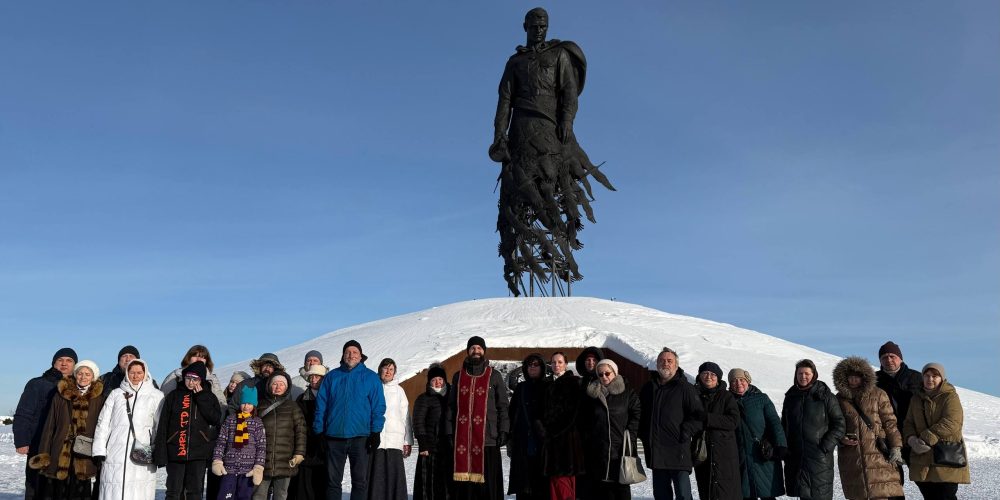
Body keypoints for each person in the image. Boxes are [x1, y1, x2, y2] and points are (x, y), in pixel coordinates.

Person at [490, 7, 615, 295]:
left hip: (550, 131)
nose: (538, 29)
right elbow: (504, 102)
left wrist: (567, 122)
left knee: (551, 190)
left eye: (543, 25)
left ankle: (558, 251)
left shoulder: (559, 55)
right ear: (525, 26)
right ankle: (522, 266)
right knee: (520, 199)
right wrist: (499, 136)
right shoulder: (515, 62)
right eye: (534, 25)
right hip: (520, 131)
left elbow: (569, 93)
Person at [314, 340, 386, 500]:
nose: (351, 355)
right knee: (333, 482)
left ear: (361, 356)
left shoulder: (371, 378)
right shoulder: (332, 377)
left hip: (360, 437)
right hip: (334, 437)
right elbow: (321, 405)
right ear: (343, 355)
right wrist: (319, 431)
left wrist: (376, 432)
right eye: (348, 352)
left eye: (355, 352)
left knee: (360, 482)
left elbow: (378, 407)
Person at [28, 359, 104, 500]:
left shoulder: (99, 398)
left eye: (88, 374)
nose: (83, 377)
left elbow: (102, 427)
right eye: (80, 373)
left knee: (81, 490)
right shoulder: (61, 395)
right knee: (57, 490)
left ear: (93, 377)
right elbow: (50, 425)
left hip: (85, 452)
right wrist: (44, 453)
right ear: (75, 374)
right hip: (60, 449)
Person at [831, 356, 905, 500]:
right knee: (860, 494)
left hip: (879, 454)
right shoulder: (838, 399)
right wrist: (841, 439)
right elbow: (834, 426)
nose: (853, 380)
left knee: (884, 492)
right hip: (853, 458)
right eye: (850, 377)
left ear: (864, 377)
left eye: (857, 377)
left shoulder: (878, 394)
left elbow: (890, 422)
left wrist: (896, 447)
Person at [92, 359, 164, 500]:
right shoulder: (116, 394)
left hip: (143, 451)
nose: (135, 376)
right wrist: (99, 449)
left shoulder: (156, 395)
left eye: (139, 372)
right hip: (114, 452)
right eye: (132, 372)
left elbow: (160, 426)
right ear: (126, 373)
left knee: (139, 491)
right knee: (113, 490)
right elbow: (103, 423)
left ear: (145, 373)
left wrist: (157, 450)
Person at [449, 336, 510, 500]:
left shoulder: (494, 375)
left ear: (484, 351)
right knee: (465, 486)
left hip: (488, 438)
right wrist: (449, 431)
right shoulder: (458, 376)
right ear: (468, 351)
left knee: (487, 485)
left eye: (479, 348)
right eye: (473, 348)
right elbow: (451, 407)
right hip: (462, 439)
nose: (476, 351)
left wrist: (504, 430)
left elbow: (503, 406)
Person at [638, 347, 703, 500]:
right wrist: (642, 433)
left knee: (683, 495)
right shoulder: (648, 388)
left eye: (669, 361)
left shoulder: (685, 388)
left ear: (676, 365)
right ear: (657, 363)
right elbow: (640, 414)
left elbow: (699, 416)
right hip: (657, 452)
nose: (665, 363)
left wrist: (686, 430)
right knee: (661, 495)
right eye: (662, 360)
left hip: (678, 451)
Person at [15, 347, 77, 500]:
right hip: (39, 444)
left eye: (69, 361)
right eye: (60, 360)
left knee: (62, 489)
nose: (64, 364)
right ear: (53, 363)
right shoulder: (37, 384)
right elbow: (23, 413)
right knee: (36, 487)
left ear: (75, 365)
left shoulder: (77, 387)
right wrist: (22, 441)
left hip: (65, 448)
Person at [154, 361, 223, 500]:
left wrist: (201, 397)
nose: (191, 382)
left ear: (201, 380)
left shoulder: (209, 396)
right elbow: (163, 424)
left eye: (195, 379)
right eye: (188, 378)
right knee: (173, 491)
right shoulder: (173, 396)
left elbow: (215, 419)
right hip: (176, 450)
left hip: (199, 452)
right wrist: (161, 452)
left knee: (194, 492)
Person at [902, 362, 970, 499]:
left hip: (945, 457)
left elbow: (952, 422)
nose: (930, 379)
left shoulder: (949, 396)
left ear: (942, 378)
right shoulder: (916, 398)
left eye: (935, 376)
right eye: (926, 375)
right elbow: (908, 422)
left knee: (946, 496)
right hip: (922, 457)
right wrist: (912, 439)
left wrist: (926, 437)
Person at [781, 359, 845, 500]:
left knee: (819, 495)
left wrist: (824, 446)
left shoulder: (825, 396)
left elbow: (839, 424)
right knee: (802, 494)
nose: (803, 377)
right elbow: (784, 425)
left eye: (806, 373)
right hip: (796, 458)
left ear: (814, 374)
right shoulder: (791, 397)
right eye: (800, 373)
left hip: (819, 459)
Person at [581, 359, 640, 500]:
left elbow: (637, 414)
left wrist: (629, 434)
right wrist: (590, 437)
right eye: (600, 374)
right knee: (600, 492)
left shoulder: (627, 393)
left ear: (615, 373)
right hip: (597, 452)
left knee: (621, 491)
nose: (604, 377)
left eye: (607, 373)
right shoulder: (591, 395)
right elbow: (584, 419)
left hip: (619, 451)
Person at [728, 368, 787, 500]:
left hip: (763, 454)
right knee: (746, 494)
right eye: (734, 381)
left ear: (748, 381)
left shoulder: (762, 399)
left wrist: (780, 446)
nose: (738, 383)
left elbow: (774, 423)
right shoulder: (727, 401)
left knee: (767, 495)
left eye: (741, 380)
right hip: (740, 456)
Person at [692, 362, 740, 500]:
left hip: (724, 452)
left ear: (718, 378)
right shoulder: (693, 395)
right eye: (705, 373)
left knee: (725, 491)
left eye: (713, 374)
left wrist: (708, 418)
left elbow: (733, 421)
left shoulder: (726, 396)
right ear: (699, 376)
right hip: (702, 451)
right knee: (705, 488)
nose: (709, 377)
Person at [254, 371, 306, 500]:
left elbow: (301, 431)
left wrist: (299, 453)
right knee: (259, 495)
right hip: (262, 459)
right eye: (275, 384)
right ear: (269, 386)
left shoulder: (293, 406)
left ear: (287, 387)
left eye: (281, 384)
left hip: (285, 459)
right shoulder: (259, 405)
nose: (278, 387)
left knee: (281, 495)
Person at [367, 358, 413, 500]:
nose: (388, 372)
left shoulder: (399, 391)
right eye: (385, 368)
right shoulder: (373, 387)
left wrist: (407, 441)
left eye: (391, 369)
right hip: (376, 439)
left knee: (394, 476)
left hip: (394, 440)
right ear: (380, 369)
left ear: (394, 373)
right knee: (376, 474)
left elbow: (406, 416)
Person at [541, 352, 585, 500]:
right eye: (553, 362)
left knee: (565, 480)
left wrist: (554, 430)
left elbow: (574, 412)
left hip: (567, 440)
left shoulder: (574, 382)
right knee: (554, 481)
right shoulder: (546, 383)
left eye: (560, 362)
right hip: (550, 441)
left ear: (566, 364)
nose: (556, 365)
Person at [213, 386, 267, 500]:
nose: (246, 407)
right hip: (228, 469)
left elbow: (261, 447)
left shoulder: (257, 423)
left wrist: (258, 467)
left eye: (249, 403)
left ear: (254, 405)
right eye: (244, 403)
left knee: (244, 497)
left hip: (248, 471)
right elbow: (221, 442)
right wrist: (217, 461)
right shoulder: (230, 420)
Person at [874, 341, 922, 467]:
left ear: (900, 358)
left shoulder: (917, 378)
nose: (888, 360)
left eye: (892, 356)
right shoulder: (874, 380)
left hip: (914, 435)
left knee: (923, 478)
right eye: (884, 357)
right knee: (892, 480)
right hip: (888, 437)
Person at [508, 353, 548, 500]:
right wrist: (510, 437)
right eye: (530, 364)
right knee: (523, 487)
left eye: (536, 364)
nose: (532, 367)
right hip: (522, 442)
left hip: (542, 443)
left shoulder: (548, 386)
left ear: (542, 367)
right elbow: (512, 413)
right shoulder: (521, 388)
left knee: (541, 486)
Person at [208, 370, 252, 500]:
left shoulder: (244, 406)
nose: (233, 385)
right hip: (217, 445)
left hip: (234, 452)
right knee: (214, 482)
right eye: (232, 382)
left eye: (237, 383)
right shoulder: (222, 399)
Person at [412, 364, 453, 500]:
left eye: (440, 379)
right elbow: (418, 422)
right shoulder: (423, 398)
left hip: (448, 446)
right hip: (430, 447)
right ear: (429, 381)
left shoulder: (452, 396)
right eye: (434, 379)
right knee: (429, 482)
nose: (437, 382)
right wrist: (423, 444)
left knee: (447, 481)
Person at [288, 364, 329, 500]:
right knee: (304, 484)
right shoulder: (301, 398)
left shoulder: (331, 397)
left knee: (321, 483)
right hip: (306, 445)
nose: (313, 379)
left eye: (317, 376)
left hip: (324, 446)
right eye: (311, 376)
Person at [160, 345, 227, 410]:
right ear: (188, 358)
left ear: (206, 360)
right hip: (181, 417)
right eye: (195, 356)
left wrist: (220, 419)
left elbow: (220, 402)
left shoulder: (211, 378)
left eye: (203, 357)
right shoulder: (176, 375)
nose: (199, 359)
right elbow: (163, 399)